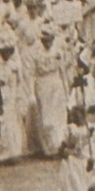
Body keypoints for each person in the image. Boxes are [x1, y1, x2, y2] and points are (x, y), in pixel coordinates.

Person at [28, 23, 69, 157]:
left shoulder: (58, 51)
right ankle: (47, 148)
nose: (47, 43)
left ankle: (59, 145)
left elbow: (63, 71)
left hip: (56, 84)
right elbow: (32, 73)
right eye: (44, 40)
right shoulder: (36, 53)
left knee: (58, 115)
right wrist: (31, 90)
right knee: (45, 116)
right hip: (42, 83)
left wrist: (66, 88)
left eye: (49, 40)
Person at [0, 33, 26, 161]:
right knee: (2, 122)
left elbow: (18, 81)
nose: (6, 54)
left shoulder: (14, 65)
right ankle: (2, 152)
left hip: (12, 94)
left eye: (8, 52)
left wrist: (18, 95)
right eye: (4, 52)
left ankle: (13, 152)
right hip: (0, 93)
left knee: (12, 122)